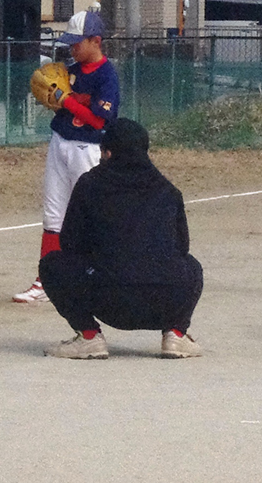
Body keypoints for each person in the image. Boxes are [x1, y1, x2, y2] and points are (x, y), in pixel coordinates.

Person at [41, 118, 203, 359]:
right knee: (192, 266)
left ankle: (89, 337)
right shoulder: (168, 191)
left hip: (108, 300)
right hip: (165, 301)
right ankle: (176, 334)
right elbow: (181, 247)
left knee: (52, 263)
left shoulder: (89, 185)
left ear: (107, 152)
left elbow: (70, 244)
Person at [14, 9, 120, 303]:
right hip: (60, 141)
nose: (72, 47)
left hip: (87, 149)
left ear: (95, 41)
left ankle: (97, 278)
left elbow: (99, 121)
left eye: (78, 42)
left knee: (90, 215)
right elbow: (59, 100)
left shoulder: (106, 76)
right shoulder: (70, 70)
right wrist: (54, 101)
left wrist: (66, 100)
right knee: (53, 215)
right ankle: (46, 281)